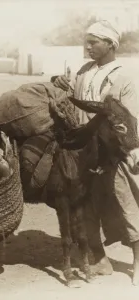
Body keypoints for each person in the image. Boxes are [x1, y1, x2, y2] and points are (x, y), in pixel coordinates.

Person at [53, 20, 139, 285]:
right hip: (84, 149)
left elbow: (131, 117)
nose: (87, 46)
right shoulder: (84, 70)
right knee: (84, 203)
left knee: (125, 201)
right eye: (86, 41)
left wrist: (131, 149)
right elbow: (76, 99)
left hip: (115, 149)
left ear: (110, 44)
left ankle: (138, 260)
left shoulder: (125, 74)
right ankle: (100, 259)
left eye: (93, 42)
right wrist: (61, 84)